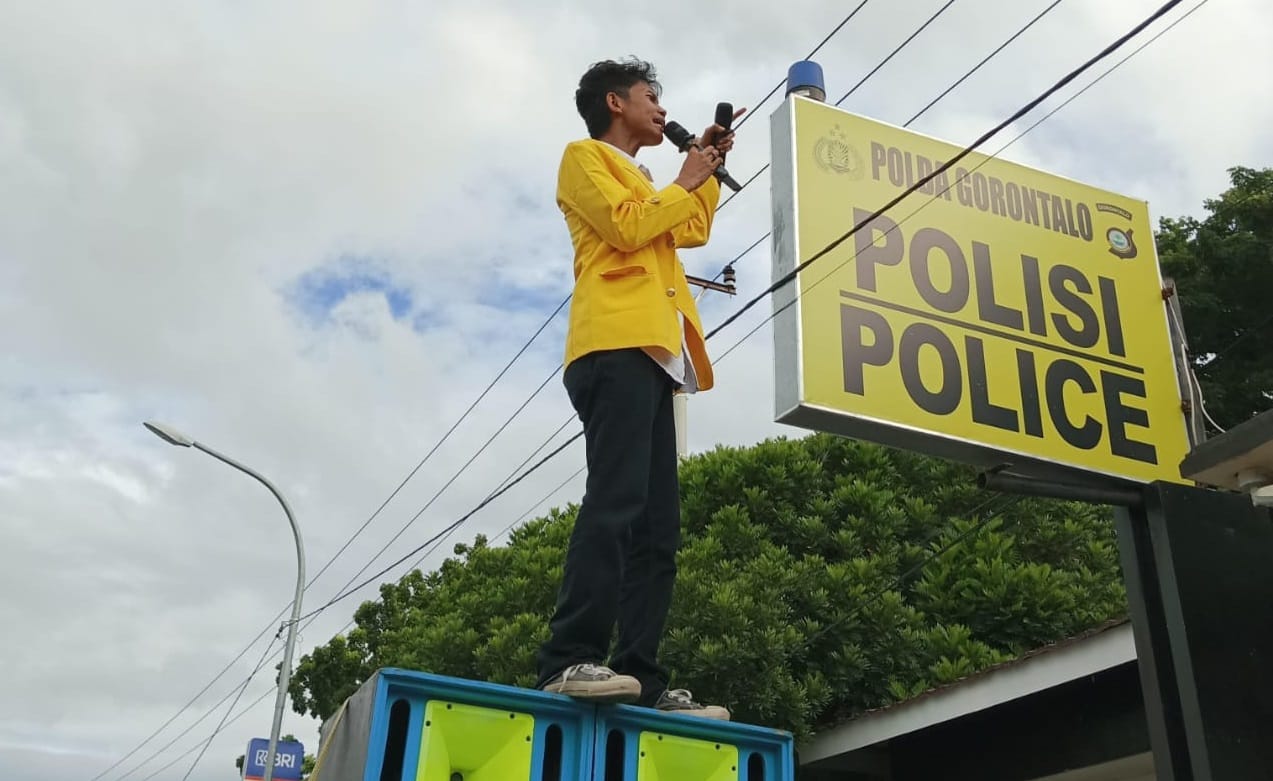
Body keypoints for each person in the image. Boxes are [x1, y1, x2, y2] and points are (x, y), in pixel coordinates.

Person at [535, 58, 741, 720]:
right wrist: (684, 177)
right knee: (617, 500)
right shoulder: (583, 157)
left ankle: (641, 676)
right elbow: (626, 227)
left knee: (658, 529)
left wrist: (700, 177)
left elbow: (688, 228)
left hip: (657, 351)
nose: (661, 108)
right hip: (613, 342)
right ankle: (567, 657)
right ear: (614, 101)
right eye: (652, 96)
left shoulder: (653, 179)